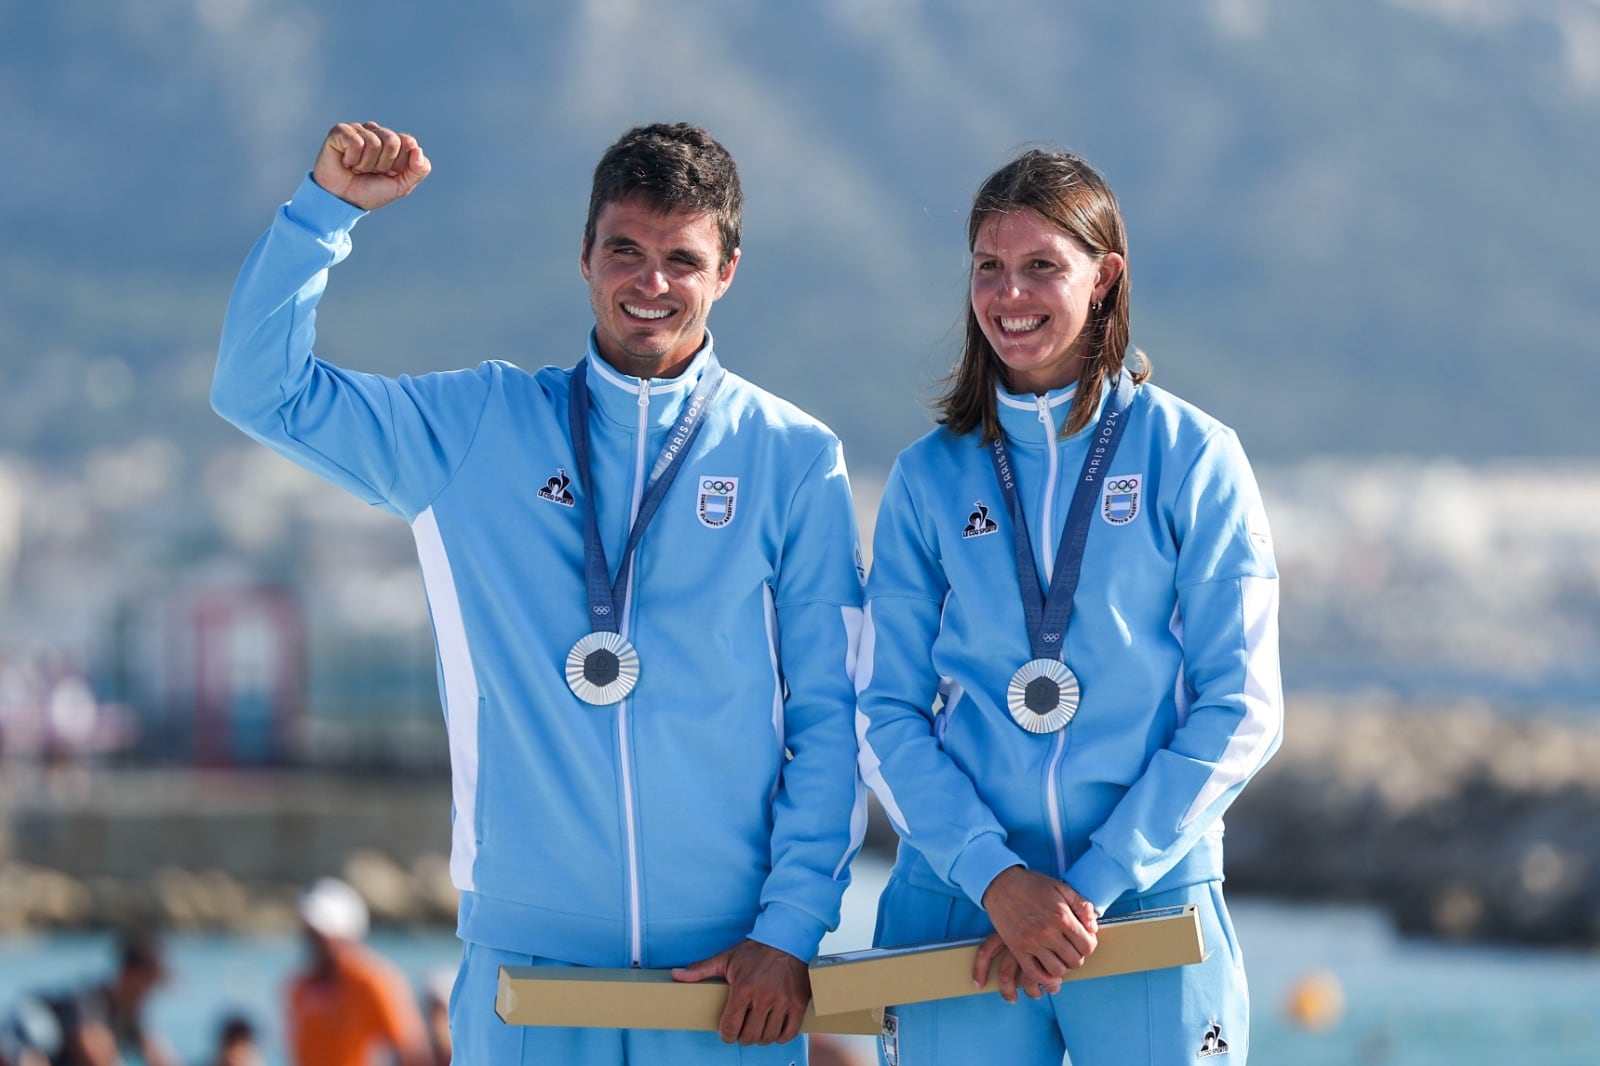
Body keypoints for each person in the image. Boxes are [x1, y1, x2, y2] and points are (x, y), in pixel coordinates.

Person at [213, 120, 866, 1064]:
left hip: (729, 975)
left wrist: (791, 931)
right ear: (585, 257)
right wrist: (324, 214)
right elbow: (258, 391)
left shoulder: (794, 459)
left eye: (682, 259)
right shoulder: (475, 428)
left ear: (726, 270)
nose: (651, 283)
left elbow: (832, 716)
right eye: (625, 251)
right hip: (529, 974)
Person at [855, 148, 1283, 1064]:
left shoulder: (1194, 457)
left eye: (1042, 264)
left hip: (1144, 907)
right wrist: (996, 878)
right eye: (988, 267)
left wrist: (1084, 889)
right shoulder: (929, 479)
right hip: (957, 912)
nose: (1011, 293)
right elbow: (884, 710)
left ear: (1105, 276)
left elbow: (1241, 706)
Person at [285, 877, 431, 1066]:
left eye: (320, 933)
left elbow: (413, 1051)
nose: (313, 940)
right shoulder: (299, 988)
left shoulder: (373, 981)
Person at [0, 931, 179, 1066]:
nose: (153, 990)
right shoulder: (90, 1002)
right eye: (150, 979)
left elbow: (159, 1055)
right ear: (130, 974)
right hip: (27, 1030)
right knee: (39, 1037)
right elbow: (95, 1054)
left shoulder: (131, 1015)